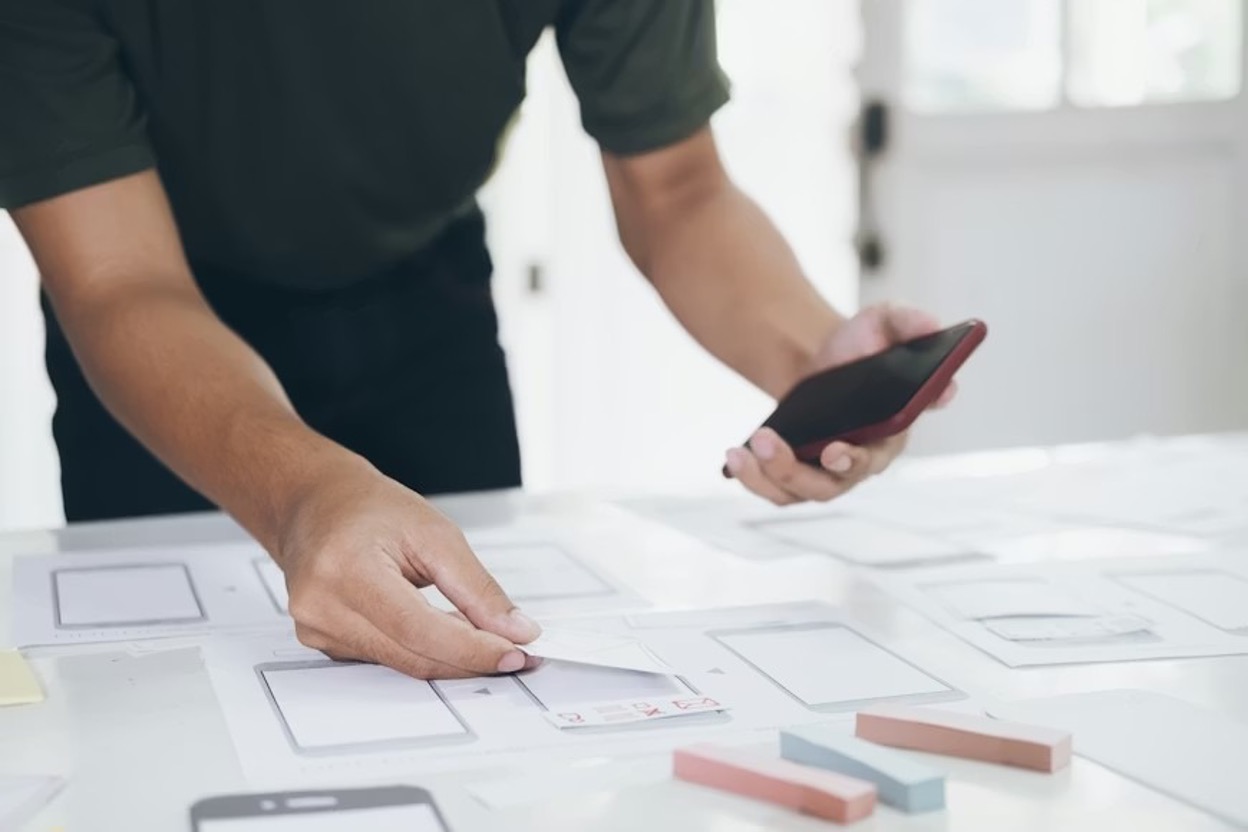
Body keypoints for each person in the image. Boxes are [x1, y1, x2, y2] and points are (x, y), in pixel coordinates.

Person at [0, 1, 952, 680]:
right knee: (162, 715)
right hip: (161, 340)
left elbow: (677, 188)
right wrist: (301, 494)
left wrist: (816, 365)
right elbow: (120, 280)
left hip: (428, 299)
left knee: (487, 696)